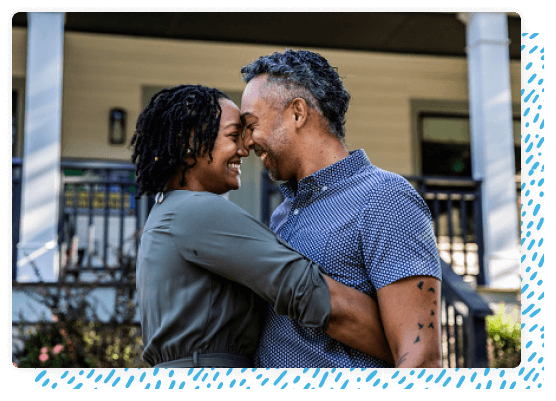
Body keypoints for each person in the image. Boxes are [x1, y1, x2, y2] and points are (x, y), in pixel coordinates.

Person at [130, 84, 394, 368]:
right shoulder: (196, 211)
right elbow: (309, 293)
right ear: (189, 145)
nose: (245, 149)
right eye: (233, 136)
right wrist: (405, 346)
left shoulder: (168, 212)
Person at [240, 49, 443, 368]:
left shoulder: (384, 197)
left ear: (297, 113)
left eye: (251, 124)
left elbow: (419, 354)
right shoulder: (283, 214)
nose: (246, 142)